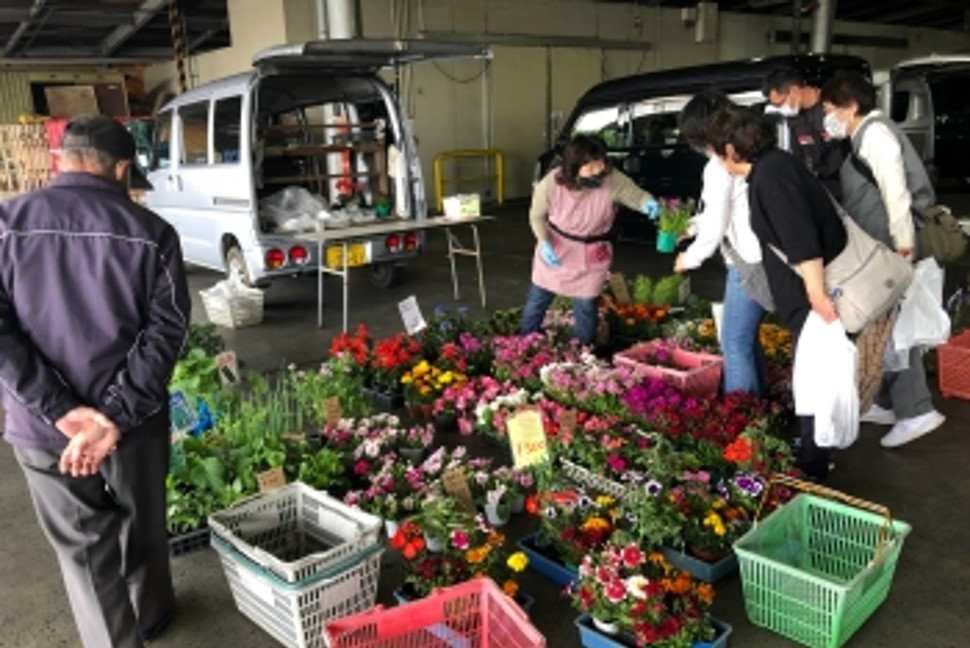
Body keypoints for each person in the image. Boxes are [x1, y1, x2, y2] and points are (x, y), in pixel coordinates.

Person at [0, 116, 191, 647]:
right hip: (134, 427)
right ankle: (150, 616)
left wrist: (60, 409)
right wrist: (114, 417)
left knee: (86, 551)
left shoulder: (6, 223)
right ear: (123, 167)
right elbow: (166, 332)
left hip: (43, 431)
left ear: (61, 159)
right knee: (142, 525)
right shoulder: (153, 234)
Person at [707, 104, 848, 482]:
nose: (719, 161)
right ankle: (814, 454)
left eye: (720, 152)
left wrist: (816, 294)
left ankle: (813, 465)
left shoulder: (771, 176)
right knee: (812, 375)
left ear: (734, 150)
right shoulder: (773, 167)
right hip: (804, 294)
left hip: (809, 297)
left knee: (814, 378)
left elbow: (801, 240)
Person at [820, 72, 946, 448]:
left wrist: (903, 243)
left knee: (893, 329)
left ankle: (917, 411)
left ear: (851, 107)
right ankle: (888, 402)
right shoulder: (865, 135)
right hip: (886, 244)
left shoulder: (875, 134)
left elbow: (895, 190)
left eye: (831, 110)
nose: (829, 118)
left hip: (893, 245)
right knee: (886, 323)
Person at [521, 135, 659, 344]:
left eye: (600, 163)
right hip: (557, 248)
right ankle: (523, 345)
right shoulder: (552, 182)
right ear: (573, 166)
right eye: (589, 166)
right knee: (538, 300)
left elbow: (635, 195)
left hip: (592, 252)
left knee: (586, 307)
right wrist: (543, 241)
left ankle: (582, 356)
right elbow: (536, 216)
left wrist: (648, 202)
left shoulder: (612, 179)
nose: (598, 170)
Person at [674, 91, 767, 395]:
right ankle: (761, 404)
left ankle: (744, 421)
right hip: (764, 253)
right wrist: (691, 227)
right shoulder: (748, 151)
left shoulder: (718, 165)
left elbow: (715, 227)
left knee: (734, 343)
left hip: (748, 262)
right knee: (746, 338)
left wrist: (688, 258)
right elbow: (727, 211)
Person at [763, 66, 848, 199]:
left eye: (780, 104)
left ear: (795, 91)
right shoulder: (792, 118)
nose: (779, 109)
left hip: (835, 192)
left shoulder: (832, 110)